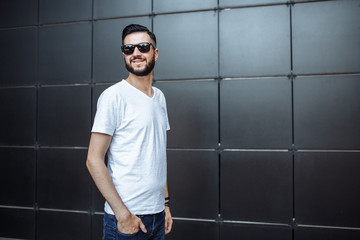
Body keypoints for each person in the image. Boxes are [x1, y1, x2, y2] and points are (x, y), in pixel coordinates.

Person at [86, 24, 173, 240]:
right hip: (128, 219)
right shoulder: (113, 96)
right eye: (128, 49)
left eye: (143, 47)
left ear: (156, 52)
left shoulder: (159, 98)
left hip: (158, 216)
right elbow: (93, 159)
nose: (136, 53)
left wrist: (165, 204)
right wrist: (122, 214)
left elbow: (157, 155)